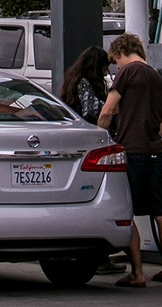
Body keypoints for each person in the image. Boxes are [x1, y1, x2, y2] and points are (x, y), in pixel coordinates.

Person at [98, 33, 162, 288]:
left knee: (127, 210)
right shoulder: (157, 76)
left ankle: (137, 273)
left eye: (116, 62)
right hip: (154, 152)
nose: (116, 67)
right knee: (160, 210)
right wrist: (148, 135)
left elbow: (108, 110)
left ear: (121, 52)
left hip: (130, 152)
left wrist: (99, 138)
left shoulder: (128, 73)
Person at [59, 46, 127, 275]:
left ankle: (95, 258)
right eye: (104, 66)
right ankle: (100, 260)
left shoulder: (72, 80)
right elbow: (92, 111)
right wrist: (113, 107)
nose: (107, 70)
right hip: (91, 143)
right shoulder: (86, 83)